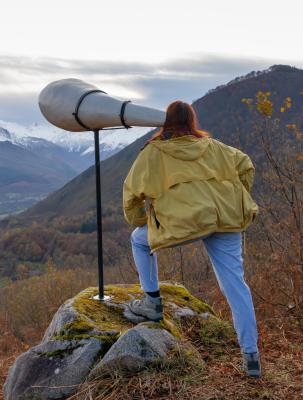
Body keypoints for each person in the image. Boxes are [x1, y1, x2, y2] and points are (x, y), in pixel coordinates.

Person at [122, 100, 261, 378]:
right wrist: (235, 197)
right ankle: (251, 356)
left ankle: (152, 303)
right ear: (192, 121)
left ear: (166, 121)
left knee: (139, 240)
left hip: (181, 223)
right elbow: (246, 165)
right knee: (236, 285)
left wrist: (142, 221)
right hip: (224, 219)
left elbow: (131, 196)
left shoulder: (153, 152)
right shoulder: (215, 147)